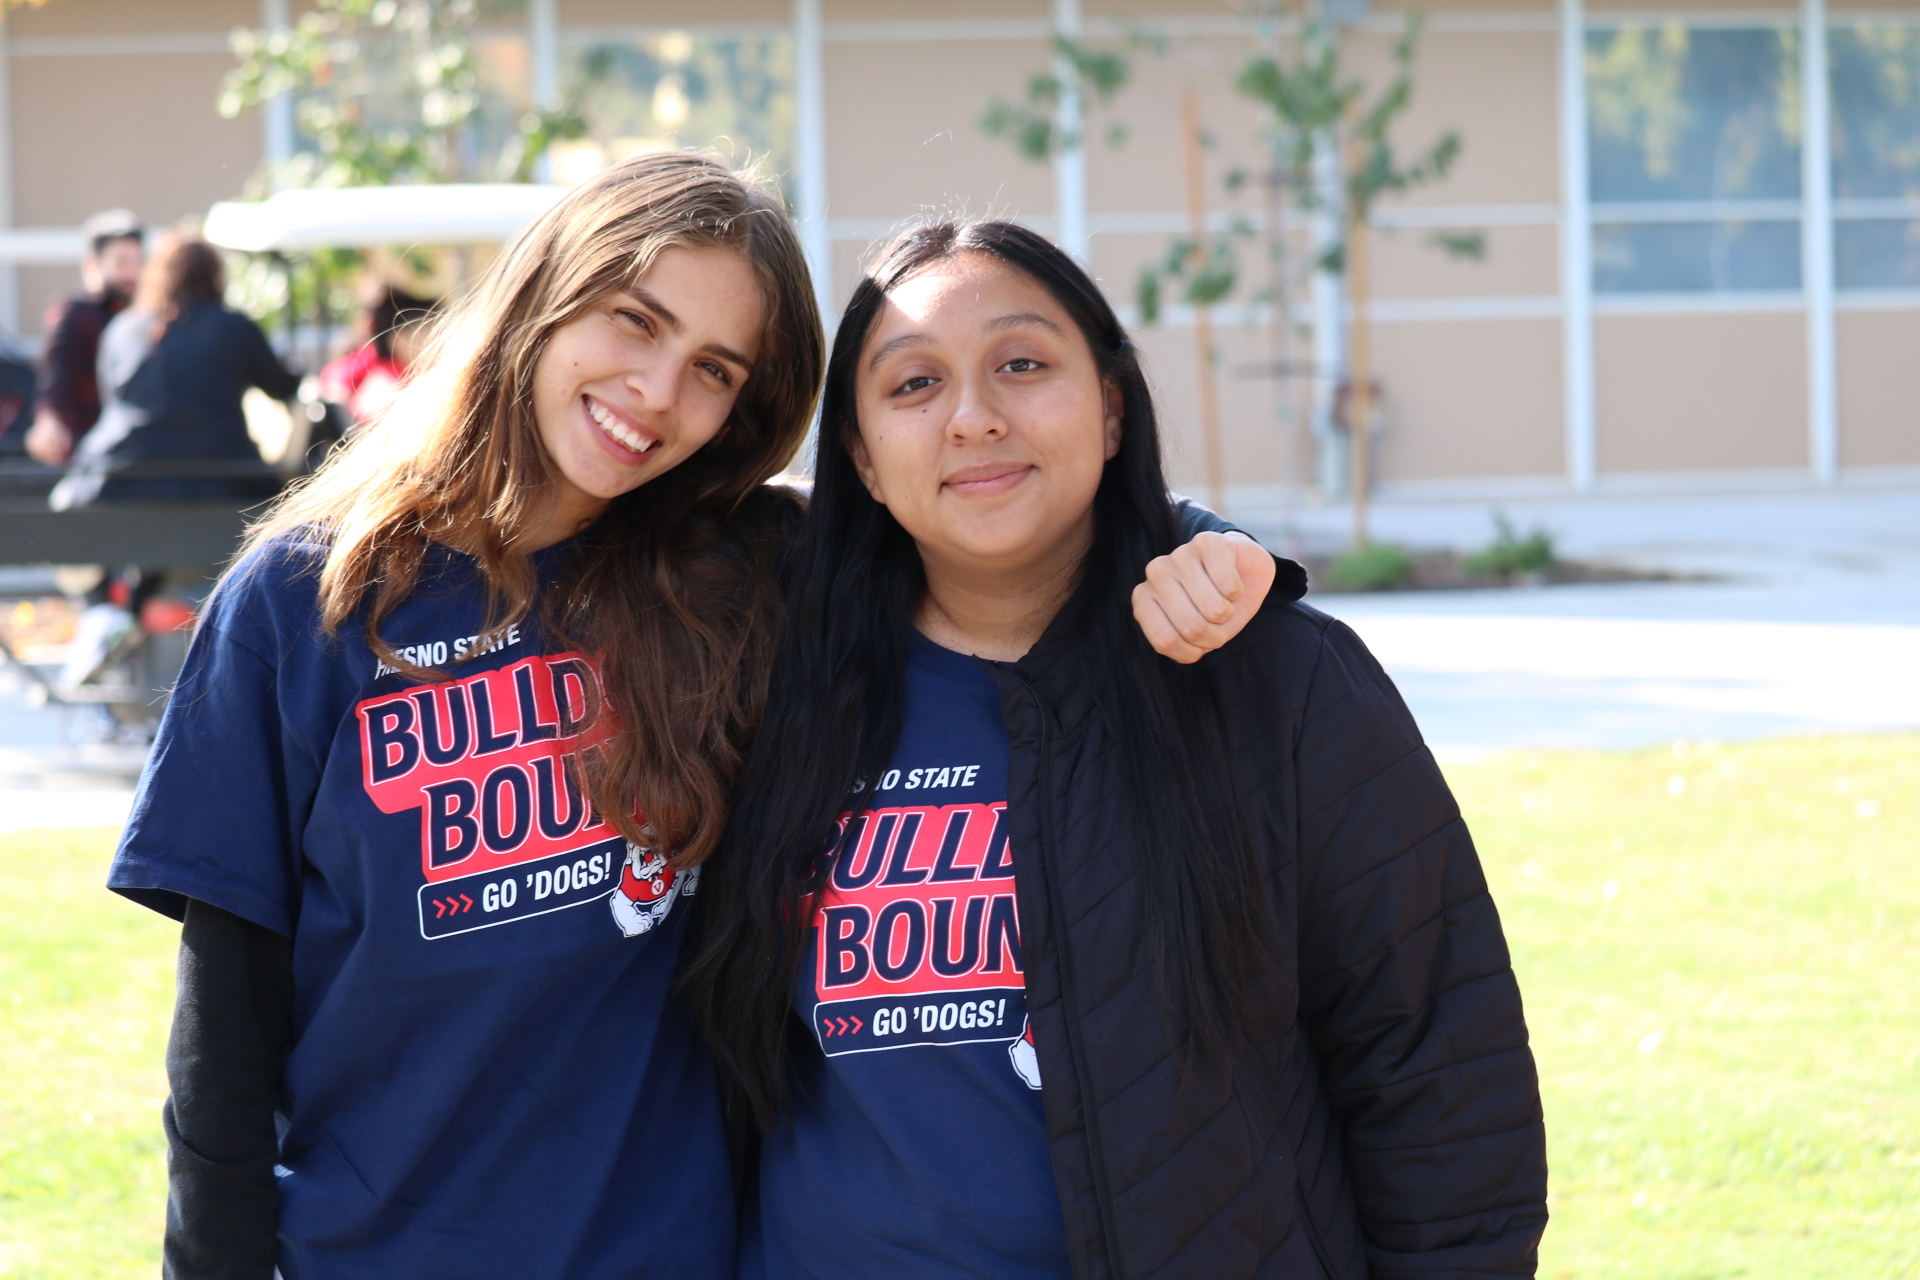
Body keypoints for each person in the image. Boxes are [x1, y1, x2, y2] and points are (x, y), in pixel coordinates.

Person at [104, 154, 1273, 1280]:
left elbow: (995, 506)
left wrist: (1207, 545)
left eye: (716, 368)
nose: (659, 394)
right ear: (545, 295)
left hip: (677, 1251)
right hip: (378, 1250)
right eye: (635, 320)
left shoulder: (748, 568)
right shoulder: (304, 597)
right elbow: (224, 1040)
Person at [684, 220, 1549, 1280]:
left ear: (1108, 407)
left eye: (1022, 364)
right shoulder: (771, 677)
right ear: (859, 457)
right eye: (913, 385)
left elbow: (1434, 1062)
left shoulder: (1276, 678)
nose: (974, 417)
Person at [50, 232, 299, 509]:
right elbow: (283, 388)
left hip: (122, 480)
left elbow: (111, 399)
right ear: (215, 276)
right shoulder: (234, 327)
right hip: (220, 482)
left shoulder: (122, 328)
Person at [25, 208, 144, 466]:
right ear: (93, 265)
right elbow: (59, 371)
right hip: (88, 452)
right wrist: (49, 420)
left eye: (137, 263)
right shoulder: (78, 313)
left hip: (135, 453)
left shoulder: (143, 316)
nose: (132, 274)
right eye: (122, 263)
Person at [318, 281, 438, 429]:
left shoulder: (386, 374)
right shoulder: (392, 385)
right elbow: (335, 383)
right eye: (426, 330)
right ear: (400, 338)